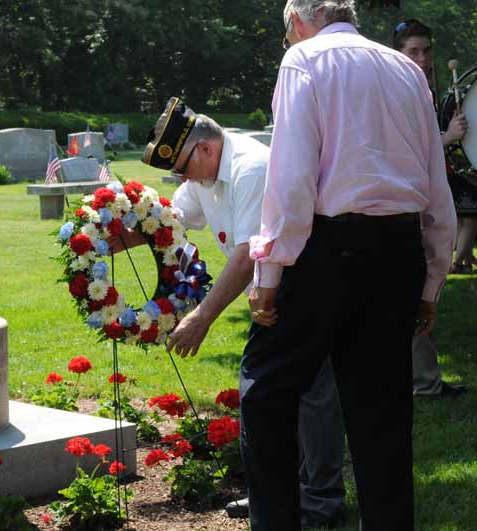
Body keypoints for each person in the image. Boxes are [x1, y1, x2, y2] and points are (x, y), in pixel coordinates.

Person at [242, 1, 456, 529]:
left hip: (327, 248)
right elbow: (436, 183)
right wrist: (431, 281)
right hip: (398, 251)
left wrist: (268, 273)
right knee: (382, 411)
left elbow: (291, 181)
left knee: (265, 389)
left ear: (295, 22)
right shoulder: (407, 70)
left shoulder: (304, 61)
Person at [116, 97, 347, 529]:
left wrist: (201, 318)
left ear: (205, 149)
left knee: (308, 393)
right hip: (273, 284)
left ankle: (320, 498)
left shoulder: (251, 167)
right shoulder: (205, 175)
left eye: (183, 167)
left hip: (305, 281)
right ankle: (278, 494)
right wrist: (120, 239)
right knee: (276, 396)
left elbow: (245, 255)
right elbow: (172, 220)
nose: (181, 178)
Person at [394, 19, 468, 398]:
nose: (422, 58)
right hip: (407, 210)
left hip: (424, 205)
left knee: (421, 294)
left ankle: (423, 377)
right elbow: (409, 152)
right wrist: (447, 137)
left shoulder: (422, 87)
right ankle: (423, 382)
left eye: (426, 50)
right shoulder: (398, 90)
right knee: (414, 296)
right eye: (413, 51)